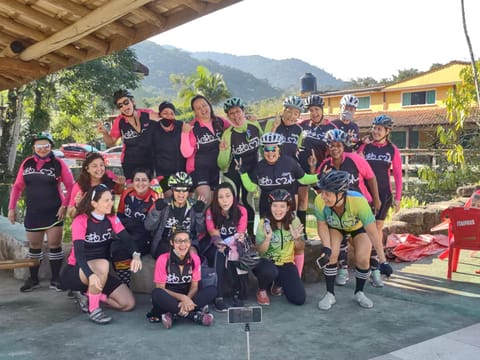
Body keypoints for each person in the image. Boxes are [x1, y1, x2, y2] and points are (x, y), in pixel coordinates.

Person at [60, 184, 142, 324]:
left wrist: (136, 255)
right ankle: (94, 309)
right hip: (77, 271)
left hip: (100, 274)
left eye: (111, 199)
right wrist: (91, 275)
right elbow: (79, 254)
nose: (111, 203)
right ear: (94, 203)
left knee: (127, 304)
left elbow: (128, 241)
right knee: (103, 264)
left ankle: (89, 294)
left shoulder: (111, 218)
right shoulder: (80, 221)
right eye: (106, 200)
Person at [314, 170, 393, 310]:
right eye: (322, 192)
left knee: (363, 258)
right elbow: (322, 226)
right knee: (331, 255)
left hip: (358, 228)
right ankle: (330, 294)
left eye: (328, 194)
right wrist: (326, 248)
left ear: (340, 194)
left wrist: (383, 261)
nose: (323, 196)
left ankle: (359, 292)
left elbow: (373, 233)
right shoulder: (320, 201)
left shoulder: (358, 201)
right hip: (335, 227)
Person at [8, 132, 74, 292]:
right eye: (39, 146)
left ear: (51, 147)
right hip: (33, 211)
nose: (43, 149)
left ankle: (56, 279)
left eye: (46, 146)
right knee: (34, 246)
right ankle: (34, 279)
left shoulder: (58, 164)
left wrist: (64, 205)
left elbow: (71, 186)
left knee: (54, 245)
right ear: (34, 147)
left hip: (54, 210)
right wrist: (11, 208)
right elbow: (17, 187)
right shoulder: (27, 163)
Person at [317, 128, 381, 286]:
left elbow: (371, 178)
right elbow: (320, 189)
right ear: (328, 147)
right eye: (332, 145)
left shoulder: (354, 159)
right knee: (340, 240)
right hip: (337, 209)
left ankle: (376, 270)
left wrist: (377, 200)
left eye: (338, 145)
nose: (335, 148)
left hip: (359, 204)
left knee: (368, 239)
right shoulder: (325, 165)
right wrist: (316, 173)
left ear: (344, 146)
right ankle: (343, 269)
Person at [358, 115, 403, 287]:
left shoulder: (393, 150)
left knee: (377, 230)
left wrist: (398, 197)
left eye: (379, 129)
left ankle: (375, 267)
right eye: (374, 128)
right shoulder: (365, 146)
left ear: (387, 131)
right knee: (365, 231)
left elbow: (398, 174)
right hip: (365, 194)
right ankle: (367, 267)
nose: (376, 131)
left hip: (384, 194)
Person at [148, 228, 216, 329]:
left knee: (212, 290)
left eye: (186, 241)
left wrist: (187, 299)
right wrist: (182, 298)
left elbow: (195, 286)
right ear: (172, 242)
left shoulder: (194, 259)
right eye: (178, 241)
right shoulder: (163, 259)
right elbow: (160, 288)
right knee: (156, 293)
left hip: (189, 295)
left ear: (190, 242)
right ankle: (193, 316)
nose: (182, 245)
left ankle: (174, 314)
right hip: (170, 296)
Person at [253, 189, 306, 306]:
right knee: (270, 271)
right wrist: (267, 239)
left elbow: (301, 248)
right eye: (274, 206)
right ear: (270, 207)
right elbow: (260, 252)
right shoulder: (264, 222)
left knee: (299, 299)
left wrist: (296, 239)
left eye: (282, 206)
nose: (278, 210)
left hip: (286, 263)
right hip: (267, 262)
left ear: (288, 208)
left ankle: (277, 284)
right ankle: (262, 290)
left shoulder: (294, 221)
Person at [218, 97, 262, 235]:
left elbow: (263, 146)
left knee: (249, 201)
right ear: (228, 116)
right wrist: (223, 151)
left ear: (243, 111)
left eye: (238, 111)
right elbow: (221, 164)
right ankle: (231, 233)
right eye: (231, 113)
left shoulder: (254, 125)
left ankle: (250, 235)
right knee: (232, 203)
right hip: (233, 172)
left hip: (251, 170)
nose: (236, 116)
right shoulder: (228, 134)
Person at [97, 89, 159, 181]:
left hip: (150, 160)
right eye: (120, 106)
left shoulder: (148, 114)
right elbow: (111, 143)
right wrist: (105, 133)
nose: (124, 107)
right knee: (132, 189)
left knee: (148, 189)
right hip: (130, 162)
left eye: (126, 102)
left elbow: (165, 125)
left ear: (132, 101)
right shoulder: (119, 121)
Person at [205, 182, 249, 311]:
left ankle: (237, 292)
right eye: (220, 197)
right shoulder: (210, 211)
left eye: (228, 196)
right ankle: (218, 296)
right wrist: (222, 245)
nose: (224, 200)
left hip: (237, 242)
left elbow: (240, 232)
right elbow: (213, 232)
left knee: (236, 255)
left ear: (234, 197)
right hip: (217, 243)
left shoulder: (242, 210)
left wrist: (233, 244)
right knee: (220, 254)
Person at [181, 94, 230, 207]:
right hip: (198, 169)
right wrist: (185, 133)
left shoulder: (220, 122)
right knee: (205, 199)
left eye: (204, 105)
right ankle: (195, 224)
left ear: (209, 105)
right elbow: (186, 153)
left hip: (214, 169)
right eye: (198, 108)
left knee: (213, 203)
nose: (203, 109)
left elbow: (235, 128)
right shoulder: (193, 127)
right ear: (195, 112)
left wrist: (247, 119)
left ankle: (208, 224)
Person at [297, 94, 337, 229]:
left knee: (326, 201)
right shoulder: (303, 125)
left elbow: (338, 149)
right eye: (311, 110)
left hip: (321, 170)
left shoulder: (331, 127)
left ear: (322, 109)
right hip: (302, 169)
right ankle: (303, 234)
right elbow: (287, 125)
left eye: (316, 109)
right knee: (302, 201)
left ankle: (333, 228)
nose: (314, 113)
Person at [113, 168, 159, 285]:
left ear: (150, 182)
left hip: (144, 237)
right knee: (114, 247)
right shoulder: (126, 193)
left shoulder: (155, 198)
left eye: (144, 180)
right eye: (137, 180)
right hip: (125, 233)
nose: (140, 183)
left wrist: (130, 222)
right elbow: (119, 215)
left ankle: (124, 284)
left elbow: (151, 226)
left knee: (121, 250)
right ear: (132, 182)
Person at [145, 172, 206, 259]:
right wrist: (157, 210)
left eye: (184, 189)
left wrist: (199, 214)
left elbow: (200, 230)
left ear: (188, 191)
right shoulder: (163, 204)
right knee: (168, 258)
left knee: (193, 255)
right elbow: (148, 226)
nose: (181, 194)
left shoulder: (194, 206)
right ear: (172, 190)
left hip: (187, 242)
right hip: (166, 243)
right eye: (177, 189)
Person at [67, 152, 125, 218]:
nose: (99, 169)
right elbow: (70, 214)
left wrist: (121, 184)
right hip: (87, 223)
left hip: (108, 221)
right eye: (94, 166)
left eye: (101, 165)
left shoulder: (109, 177)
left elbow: (118, 192)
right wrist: (78, 205)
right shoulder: (80, 185)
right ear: (87, 169)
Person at [152, 101, 187, 195]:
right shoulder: (153, 128)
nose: (169, 116)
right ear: (160, 114)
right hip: (163, 172)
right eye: (165, 113)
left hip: (181, 170)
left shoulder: (180, 125)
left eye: (172, 113)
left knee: (181, 197)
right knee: (169, 196)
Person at [264, 96, 304, 160]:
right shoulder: (272, 123)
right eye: (289, 111)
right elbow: (266, 148)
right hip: (273, 164)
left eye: (295, 114)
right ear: (283, 111)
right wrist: (274, 127)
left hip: (290, 165)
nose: (291, 116)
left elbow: (296, 150)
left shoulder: (299, 130)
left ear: (298, 116)